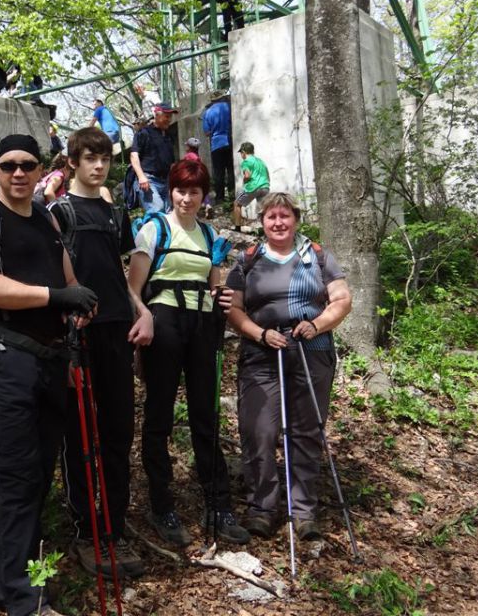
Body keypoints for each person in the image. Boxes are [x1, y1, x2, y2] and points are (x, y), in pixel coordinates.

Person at [0, 133, 97, 616]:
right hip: (3, 362)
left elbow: (69, 283)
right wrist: (55, 299)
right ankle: (22, 599)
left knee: (36, 479)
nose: (19, 173)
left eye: (28, 165)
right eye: (9, 164)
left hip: (52, 362)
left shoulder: (46, 220)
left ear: (41, 170)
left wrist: (79, 307)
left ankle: (0, 588)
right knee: (13, 478)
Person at [128, 159, 250, 547]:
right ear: (172, 191)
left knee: (206, 416)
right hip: (164, 325)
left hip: (202, 327)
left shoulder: (209, 234)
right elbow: (132, 288)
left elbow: (213, 286)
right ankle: (162, 504)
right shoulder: (155, 228)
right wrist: (144, 315)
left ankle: (219, 505)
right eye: (180, 190)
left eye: (194, 191)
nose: (186, 197)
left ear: (203, 195)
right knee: (159, 415)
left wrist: (222, 295)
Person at [49, 126, 149, 579]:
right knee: (79, 433)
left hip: (115, 330)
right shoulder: (56, 212)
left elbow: (122, 271)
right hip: (75, 333)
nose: (98, 165)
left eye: (105, 158)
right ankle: (86, 527)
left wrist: (139, 309)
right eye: (89, 158)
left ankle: (114, 519)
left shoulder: (115, 212)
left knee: (118, 429)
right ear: (72, 161)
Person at [224, 192, 352, 541]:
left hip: (311, 349)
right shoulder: (247, 260)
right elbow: (234, 310)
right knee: (258, 430)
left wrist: (317, 325)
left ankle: (304, 511)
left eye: (284, 216)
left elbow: (342, 299)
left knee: (306, 431)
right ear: (261, 222)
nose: (278, 223)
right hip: (260, 353)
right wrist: (260, 334)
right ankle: (262, 508)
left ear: (295, 219)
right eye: (270, 217)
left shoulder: (318, 256)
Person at [129, 102, 178, 214]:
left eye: (170, 116)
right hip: (149, 180)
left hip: (166, 181)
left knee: (170, 214)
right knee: (157, 211)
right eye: (166, 116)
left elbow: (172, 162)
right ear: (156, 115)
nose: (169, 119)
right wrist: (141, 177)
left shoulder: (169, 136)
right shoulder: (144, 132)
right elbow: (134, 155)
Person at [202, 92, 234, 204]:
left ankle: (220, 198)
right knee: (231, 170)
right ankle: (232, 196)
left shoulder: (207, 112)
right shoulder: (229, 106)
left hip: (216, 144)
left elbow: (207, 132)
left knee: (218, 172)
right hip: (229, 141)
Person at [233, 141, 270, 230]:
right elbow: (267, 174)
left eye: (241, 153)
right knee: (263, 209)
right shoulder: (261, 161)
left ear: (244, 152)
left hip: (252, 187)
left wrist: (244, 181)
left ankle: (237, 228)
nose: (241, 155)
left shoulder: (246, 162)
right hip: (265, 187)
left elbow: (247, 175)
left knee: (237, 204)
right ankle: (265, 229)